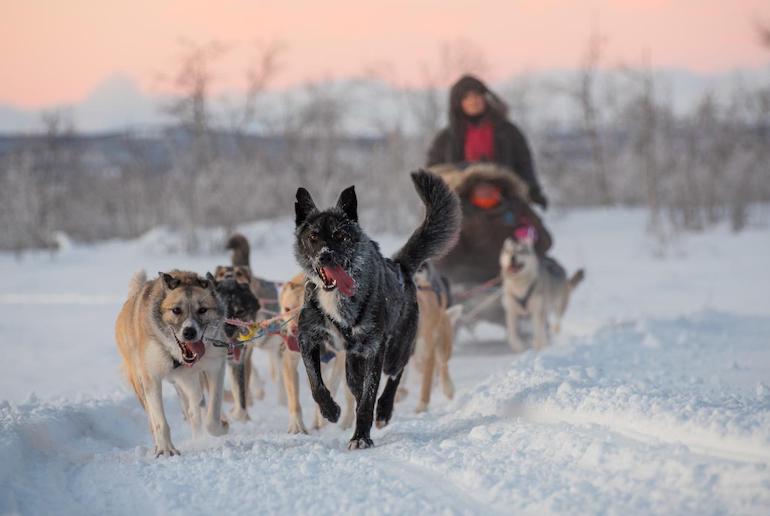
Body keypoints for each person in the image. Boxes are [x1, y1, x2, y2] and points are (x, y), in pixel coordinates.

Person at [426, 74, 548, 209]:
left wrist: (533, 191)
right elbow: (434, 172)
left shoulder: (508, 131)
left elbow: (524, 164)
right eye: (466, 97)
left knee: (531, 227)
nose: (473, 101)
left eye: (477, 95)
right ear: (458, 103)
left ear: (485, 98)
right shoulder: (446, 138)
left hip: (505, 197)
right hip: (462, 202)